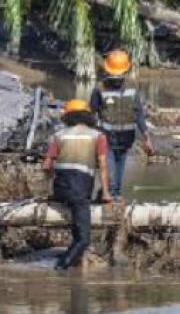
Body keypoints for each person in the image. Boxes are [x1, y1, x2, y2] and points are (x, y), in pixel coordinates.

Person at [42, 99, 110, 270]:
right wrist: (106, 193)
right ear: (88, 116)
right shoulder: (98, 136)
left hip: (60, 190)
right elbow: (103, 166)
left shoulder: (58, 135)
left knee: (76, 231)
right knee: (83, 239)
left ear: (67, 117)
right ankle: (61, 268)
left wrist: (50, 185)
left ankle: (72, 263)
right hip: (80, 191)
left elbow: (46, 166)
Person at [90, 50, 153, 202]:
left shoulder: (132, 86)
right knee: (110, 167)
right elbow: (91, 113)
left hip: (126, 136)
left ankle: (115, 193)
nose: (116, 78)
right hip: (107, 136)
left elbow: (138, 112)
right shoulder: (100, 88)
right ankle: (111, 194)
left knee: (120, 165)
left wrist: (147, 137)